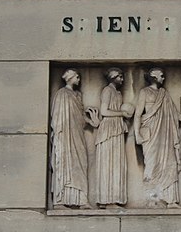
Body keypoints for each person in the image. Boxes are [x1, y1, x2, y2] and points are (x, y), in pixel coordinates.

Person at [133, 67, 181, 207]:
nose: (163, 78)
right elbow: (138, 114)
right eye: (161, 75)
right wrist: (137, 134)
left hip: (165, 134)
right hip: (150, 134)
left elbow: (174, 113)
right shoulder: (144, 92)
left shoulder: (164, 94)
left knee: (169, 163)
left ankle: (171, 200)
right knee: (151, 165)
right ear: (153, 77)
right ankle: (152, 199)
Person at [50, 69, 100, 209]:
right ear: (70, 78)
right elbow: (57, 117)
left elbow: (81, 117)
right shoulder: (62, 94)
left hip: (78, 135)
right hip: (65, 135)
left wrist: (92, 121)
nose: (79, 79)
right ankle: (61, 200)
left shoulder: (77, 95)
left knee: (81, 163)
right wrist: (60, 135)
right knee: (65, 163)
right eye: (77, 77)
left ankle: (81, 199)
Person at [94, 67, 132, 208]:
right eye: (120, 77)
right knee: (108, 163)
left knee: (117, 163)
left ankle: (114, 198)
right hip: (108, 129)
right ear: (113, 77)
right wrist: (122, 113)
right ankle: (106, 199)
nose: (122, 79)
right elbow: (104, 111)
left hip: (117, 128)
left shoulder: (118, 93)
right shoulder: (107, 90)